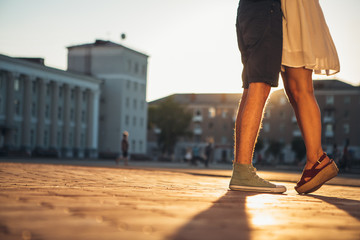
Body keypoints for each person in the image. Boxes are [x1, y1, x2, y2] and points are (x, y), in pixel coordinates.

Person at [229, 0, 340, 194]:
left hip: (259, 10)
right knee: (266, 85)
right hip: (271, 10)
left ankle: (316, 160)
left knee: (265, 85)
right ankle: (316, 159)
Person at [229, 0, 286, 193]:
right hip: (265, 10)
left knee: (249, 88)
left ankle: (240, 170)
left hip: (247, 10)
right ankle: (243, 172)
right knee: (260, 85)